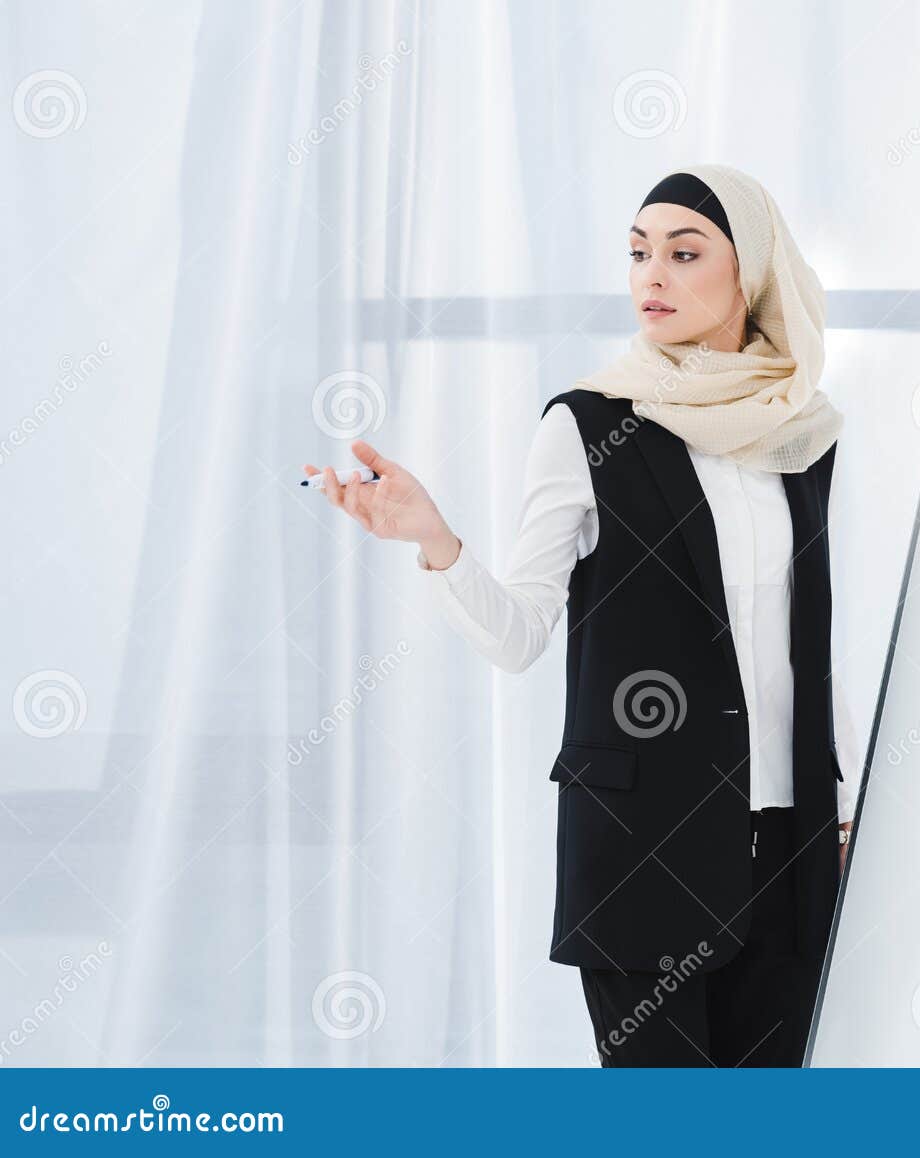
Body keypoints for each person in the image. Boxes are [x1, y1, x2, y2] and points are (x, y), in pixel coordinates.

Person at [306, 164, 861, 1067]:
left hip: (787, 845)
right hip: (647, 848)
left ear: (750, 273)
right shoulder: (590, 425)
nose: (653, 275)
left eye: (685, 254)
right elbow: (520, 633)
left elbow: (807, 642)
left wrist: (838, 814)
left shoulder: (796, 434)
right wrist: (436, 540)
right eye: (640, 253)